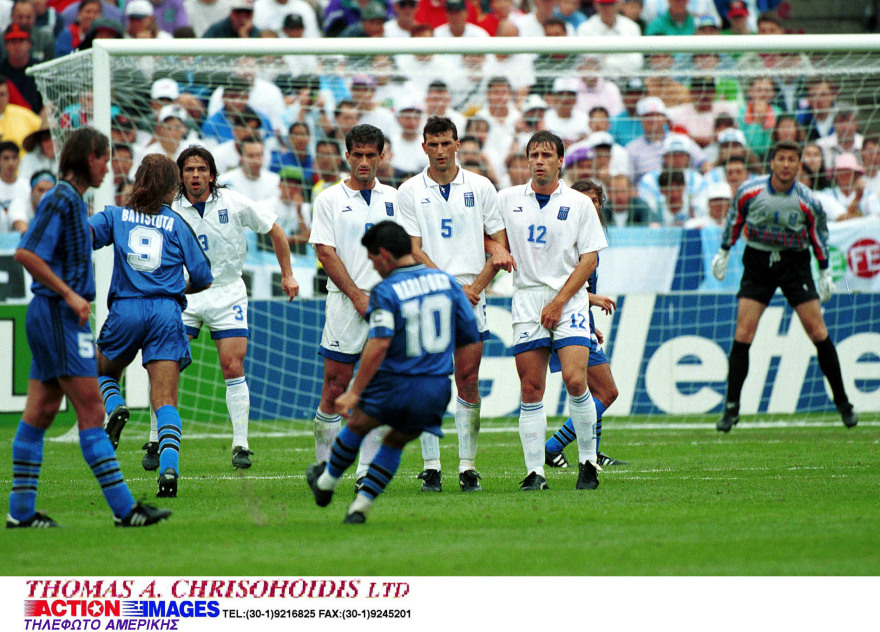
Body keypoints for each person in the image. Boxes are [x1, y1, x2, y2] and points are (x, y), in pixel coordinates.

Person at [7, 126, 170, 528]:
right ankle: (125, 510)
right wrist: (70, 295)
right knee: (94, 410)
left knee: (41, 412)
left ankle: (21, 513)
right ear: (90, 159)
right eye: (105, 159)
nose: (108, 168)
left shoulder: (72, 201)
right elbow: (26, 253)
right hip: (59, 316)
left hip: (56, 315)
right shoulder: (61, 198)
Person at [305, 220, 481, 524]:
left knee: (357, 425)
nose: (373, 266)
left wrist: (354, 392)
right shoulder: (448, 283)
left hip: (395, 383)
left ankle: (326, 483)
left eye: (373, 259)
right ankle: (360, 507)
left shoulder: (385, 290)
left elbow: (380, 342)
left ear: (384, 255)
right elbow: (470, 336)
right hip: (435, 390)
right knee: (396, 441)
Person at [135, 145, 299, 471]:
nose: (195, 175)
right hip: (183, 294)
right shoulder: (169, 209)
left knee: (232, 365)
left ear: (212, 174)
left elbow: (275, 229)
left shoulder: (233, 202)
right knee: (165, 365)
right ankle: (155, 438)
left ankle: (241, 444)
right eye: (189, 170)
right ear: (180, 176)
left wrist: (288, 274)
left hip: (226, 293)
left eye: (201, 169)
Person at [397, 116, 515, 493]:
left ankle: (467, 466)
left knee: (468, 379)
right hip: (428, 293)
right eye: (433, 144)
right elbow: (413, 250)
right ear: (424, 147)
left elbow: (499, 246)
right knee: (427, 381)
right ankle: (431, 466)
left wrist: (474, 288)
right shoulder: (409, 191)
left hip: (471, 295)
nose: (440, 151)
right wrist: (453, 287)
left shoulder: (481, 187)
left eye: (446, 143)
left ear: (457, 144)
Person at [711, 140, 858, 431]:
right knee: (743, 333)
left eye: (792, 159)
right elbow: (734, 220)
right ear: (772, 163)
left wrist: (824, 270)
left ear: (799, 165)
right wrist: (724, 251)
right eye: (781, 158)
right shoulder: (749, 192)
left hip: (794, 264)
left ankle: (844, 403)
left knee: (818, 331)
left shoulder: (808, 200)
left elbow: (818, 235)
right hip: (758, 262)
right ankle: (731, 408)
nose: (786, 164)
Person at [91, 154, 213, 497]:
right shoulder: (177, 223)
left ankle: (115, 407)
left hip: (126, 309)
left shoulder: (115, 215)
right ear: (171, 188)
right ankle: (169, 470)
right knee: (165, 399)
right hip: (166, 313)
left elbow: (82, 237)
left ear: (139, 180)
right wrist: (174, 287)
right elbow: (203, 275)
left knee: (99, 369)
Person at [498, 131, 608, 491]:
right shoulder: (507, 199)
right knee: (531, 388)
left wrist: (559, 302)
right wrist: (496, 250)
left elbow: (589, 259)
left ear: (560, 161)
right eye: (534, 155)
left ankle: (587, 463)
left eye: (546, 155)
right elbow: (487, 234)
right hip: (528, 298)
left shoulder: (579, 203)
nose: (539, 161)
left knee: (576, 380)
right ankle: (535, 472)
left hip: (569, 300)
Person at [308, 124, 399, 488]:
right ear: (346, 156)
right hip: (345, 305)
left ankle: (365, 472)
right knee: (335, 386)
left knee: (378, 388)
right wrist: (357, 296)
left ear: (381, 156)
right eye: (357, 155)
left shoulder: (395, 198)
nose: (363, 161)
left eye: (370, 155)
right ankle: (324, 468)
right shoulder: (328, 199)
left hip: (387, 305)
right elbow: (325, 252)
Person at [544, 179, 625, 470]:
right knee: (607, 392)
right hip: (566, 320)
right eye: (585, 200)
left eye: (595, 201)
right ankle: (553, 446)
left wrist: (590, 323)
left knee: (594, 392)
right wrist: (593, 299)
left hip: (579, 321)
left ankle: (595, 452)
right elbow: (560, 285)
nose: (591, 206)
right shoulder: (568, 238)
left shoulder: (590, 238)